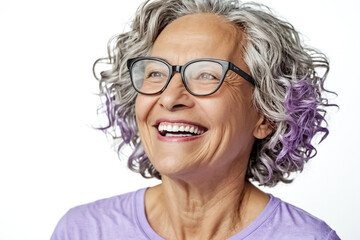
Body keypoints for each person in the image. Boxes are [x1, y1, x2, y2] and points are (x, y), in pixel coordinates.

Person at [51, 0, 340, 239]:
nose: (169, 97)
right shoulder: (82, 231)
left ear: (266, 113)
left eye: (206, 75)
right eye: (155, 73)